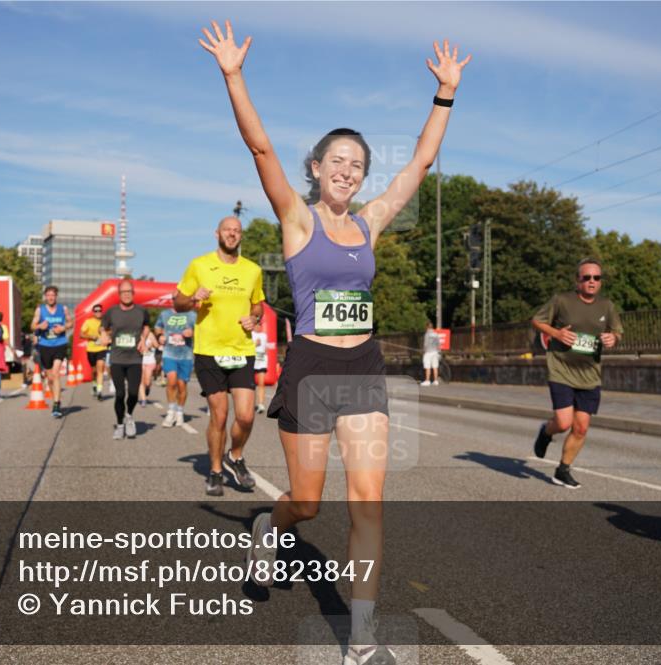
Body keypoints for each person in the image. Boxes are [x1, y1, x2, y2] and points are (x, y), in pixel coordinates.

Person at [200, 19, 469, 664]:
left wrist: (445, 94)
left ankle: (362, 636)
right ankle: (270, 527)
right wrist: (234, 75)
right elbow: (261, 149)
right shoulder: (297, 220)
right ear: (317, 169)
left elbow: (420, 163)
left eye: (358, 165)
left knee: (369, 501)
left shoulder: (370, 223)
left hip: (365, 368)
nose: (348, 171)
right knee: (307, 502)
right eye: (337, 161)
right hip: (312, 369)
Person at [173, 215, 265, 497]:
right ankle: (215, 471)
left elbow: (258, 305)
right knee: (220, 415)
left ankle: (234, 456)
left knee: (246, 416)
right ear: (217, 234)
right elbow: (178, 303)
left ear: (241, 235)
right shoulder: (199, 265)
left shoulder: (252, 270)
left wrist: (254, 318)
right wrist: (193, 298)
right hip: (209, 351)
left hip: (241, 350)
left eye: (237, 231)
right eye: (227, 230)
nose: (232, 234)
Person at [532, 258, 623, 488]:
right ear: (577, 280)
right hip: (561, 369)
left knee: (581, 428)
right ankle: (546, 432)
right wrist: (557, 333)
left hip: (590, 374)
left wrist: (613, 338)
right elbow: (537, 321)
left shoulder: (607, 306)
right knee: (563, 423)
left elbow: (617, 332)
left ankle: (562, 470)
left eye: (596, 278)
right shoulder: (561, 300)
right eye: (587, 277)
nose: (592, 281)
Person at [101, 278, 150, 439]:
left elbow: (146, 326)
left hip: (135, 358)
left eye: (129, 291)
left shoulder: (141, 311)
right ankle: (120, 425)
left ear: (133, 293)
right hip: (117, 358)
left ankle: (129, 415)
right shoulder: (112, 312)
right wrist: (103, 335)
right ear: (119, 294)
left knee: (134, 393)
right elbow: (103, 326)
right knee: (120, 394)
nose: (126, 294)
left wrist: (143, 339)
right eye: (123, 292)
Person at [31, 286, 73, 418]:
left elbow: (70, 323)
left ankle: (56, 404)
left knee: (55, 373)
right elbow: (32, 325)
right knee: (49, 378)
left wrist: (63, 327)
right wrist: (39, 326)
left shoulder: (63, 309)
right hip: (45, 345)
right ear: (45, 296)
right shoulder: (40, 309)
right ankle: (55, 397)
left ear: (56, 296)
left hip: (60, 344)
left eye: (53, 295)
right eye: (48, 295)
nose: (50, 297)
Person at [157, 306, 197, 428]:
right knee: (171, 380)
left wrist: (192, 332)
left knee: (181, 385)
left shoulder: (192, 314)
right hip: (169, 353)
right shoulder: (165, 313)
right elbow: (158, 327)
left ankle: (179, 412)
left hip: (186, 355)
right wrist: (160, 336)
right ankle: (170, 412)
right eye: (175, 298)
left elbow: (201, 331)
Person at [80, 303, 110, 400]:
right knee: (94, 371)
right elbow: (81, 334)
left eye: (99, 311)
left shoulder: (105, 322)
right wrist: (91, 336)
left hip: (102, 348)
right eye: (96, 311)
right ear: (93, 312)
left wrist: (106, 333)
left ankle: (99, 391)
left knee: (100, 369)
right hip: (91, 349)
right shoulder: (88, 322)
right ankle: (94, 383)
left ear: (102, 312)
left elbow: (111, 331)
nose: (98, 312)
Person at [139, 327, 160, 406]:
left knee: (147, 381)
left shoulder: (151, 335)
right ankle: (143, 399)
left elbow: (157, 345)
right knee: (141, 380)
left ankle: (147, 388)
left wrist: (151, 345)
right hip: (140, 361)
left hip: (150, 361)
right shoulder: (137, 334)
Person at [251, 321, 269, 412]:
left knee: (261, 383)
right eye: (257, 325)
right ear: (253, 326)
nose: (259, 326)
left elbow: (265, 349)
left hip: (261, 362)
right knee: (250, 384)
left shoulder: (264, 336)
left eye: (260, 325)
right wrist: (254, 344)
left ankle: (261, 404)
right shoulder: (251, 334)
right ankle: (249, 404)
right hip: (251, 361)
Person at [421, 321, 441, 386]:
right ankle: (436, 381)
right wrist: (439, 352)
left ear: (427, 327)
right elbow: (438, 344)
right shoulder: (436, 334)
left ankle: (427, 381)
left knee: (428, 367)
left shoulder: (427, 334)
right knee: (435, 367)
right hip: (435, 352)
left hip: (428, 352)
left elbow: (425, 345)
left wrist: (423, 351)